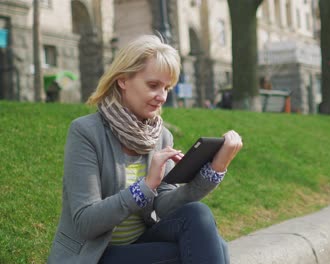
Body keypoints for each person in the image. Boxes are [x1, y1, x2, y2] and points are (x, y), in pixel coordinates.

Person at [47, 35, 242, 264]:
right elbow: (86, 222)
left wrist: (215, 169)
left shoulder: (160, 136)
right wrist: (146, 186)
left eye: (167, 87)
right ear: (123, 80)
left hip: (139, 244)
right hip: (95, 253)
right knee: (206, 249)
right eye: (153, 85)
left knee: (198, 215)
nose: (162, 97)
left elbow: (165, 207)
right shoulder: (86, 132)